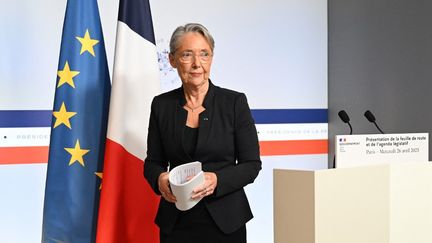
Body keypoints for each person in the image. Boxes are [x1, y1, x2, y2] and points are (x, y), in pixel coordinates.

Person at [144, 23, 261, 243]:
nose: (197, 64)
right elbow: (152, 162)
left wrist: (217, 179)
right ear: (172, 60)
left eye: (204, 54)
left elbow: (252, 165)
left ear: (212, 58)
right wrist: (159, 178)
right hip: (176, 222)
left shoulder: (234, 102)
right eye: (187, 54)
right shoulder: (161, 105)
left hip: (226, 222)